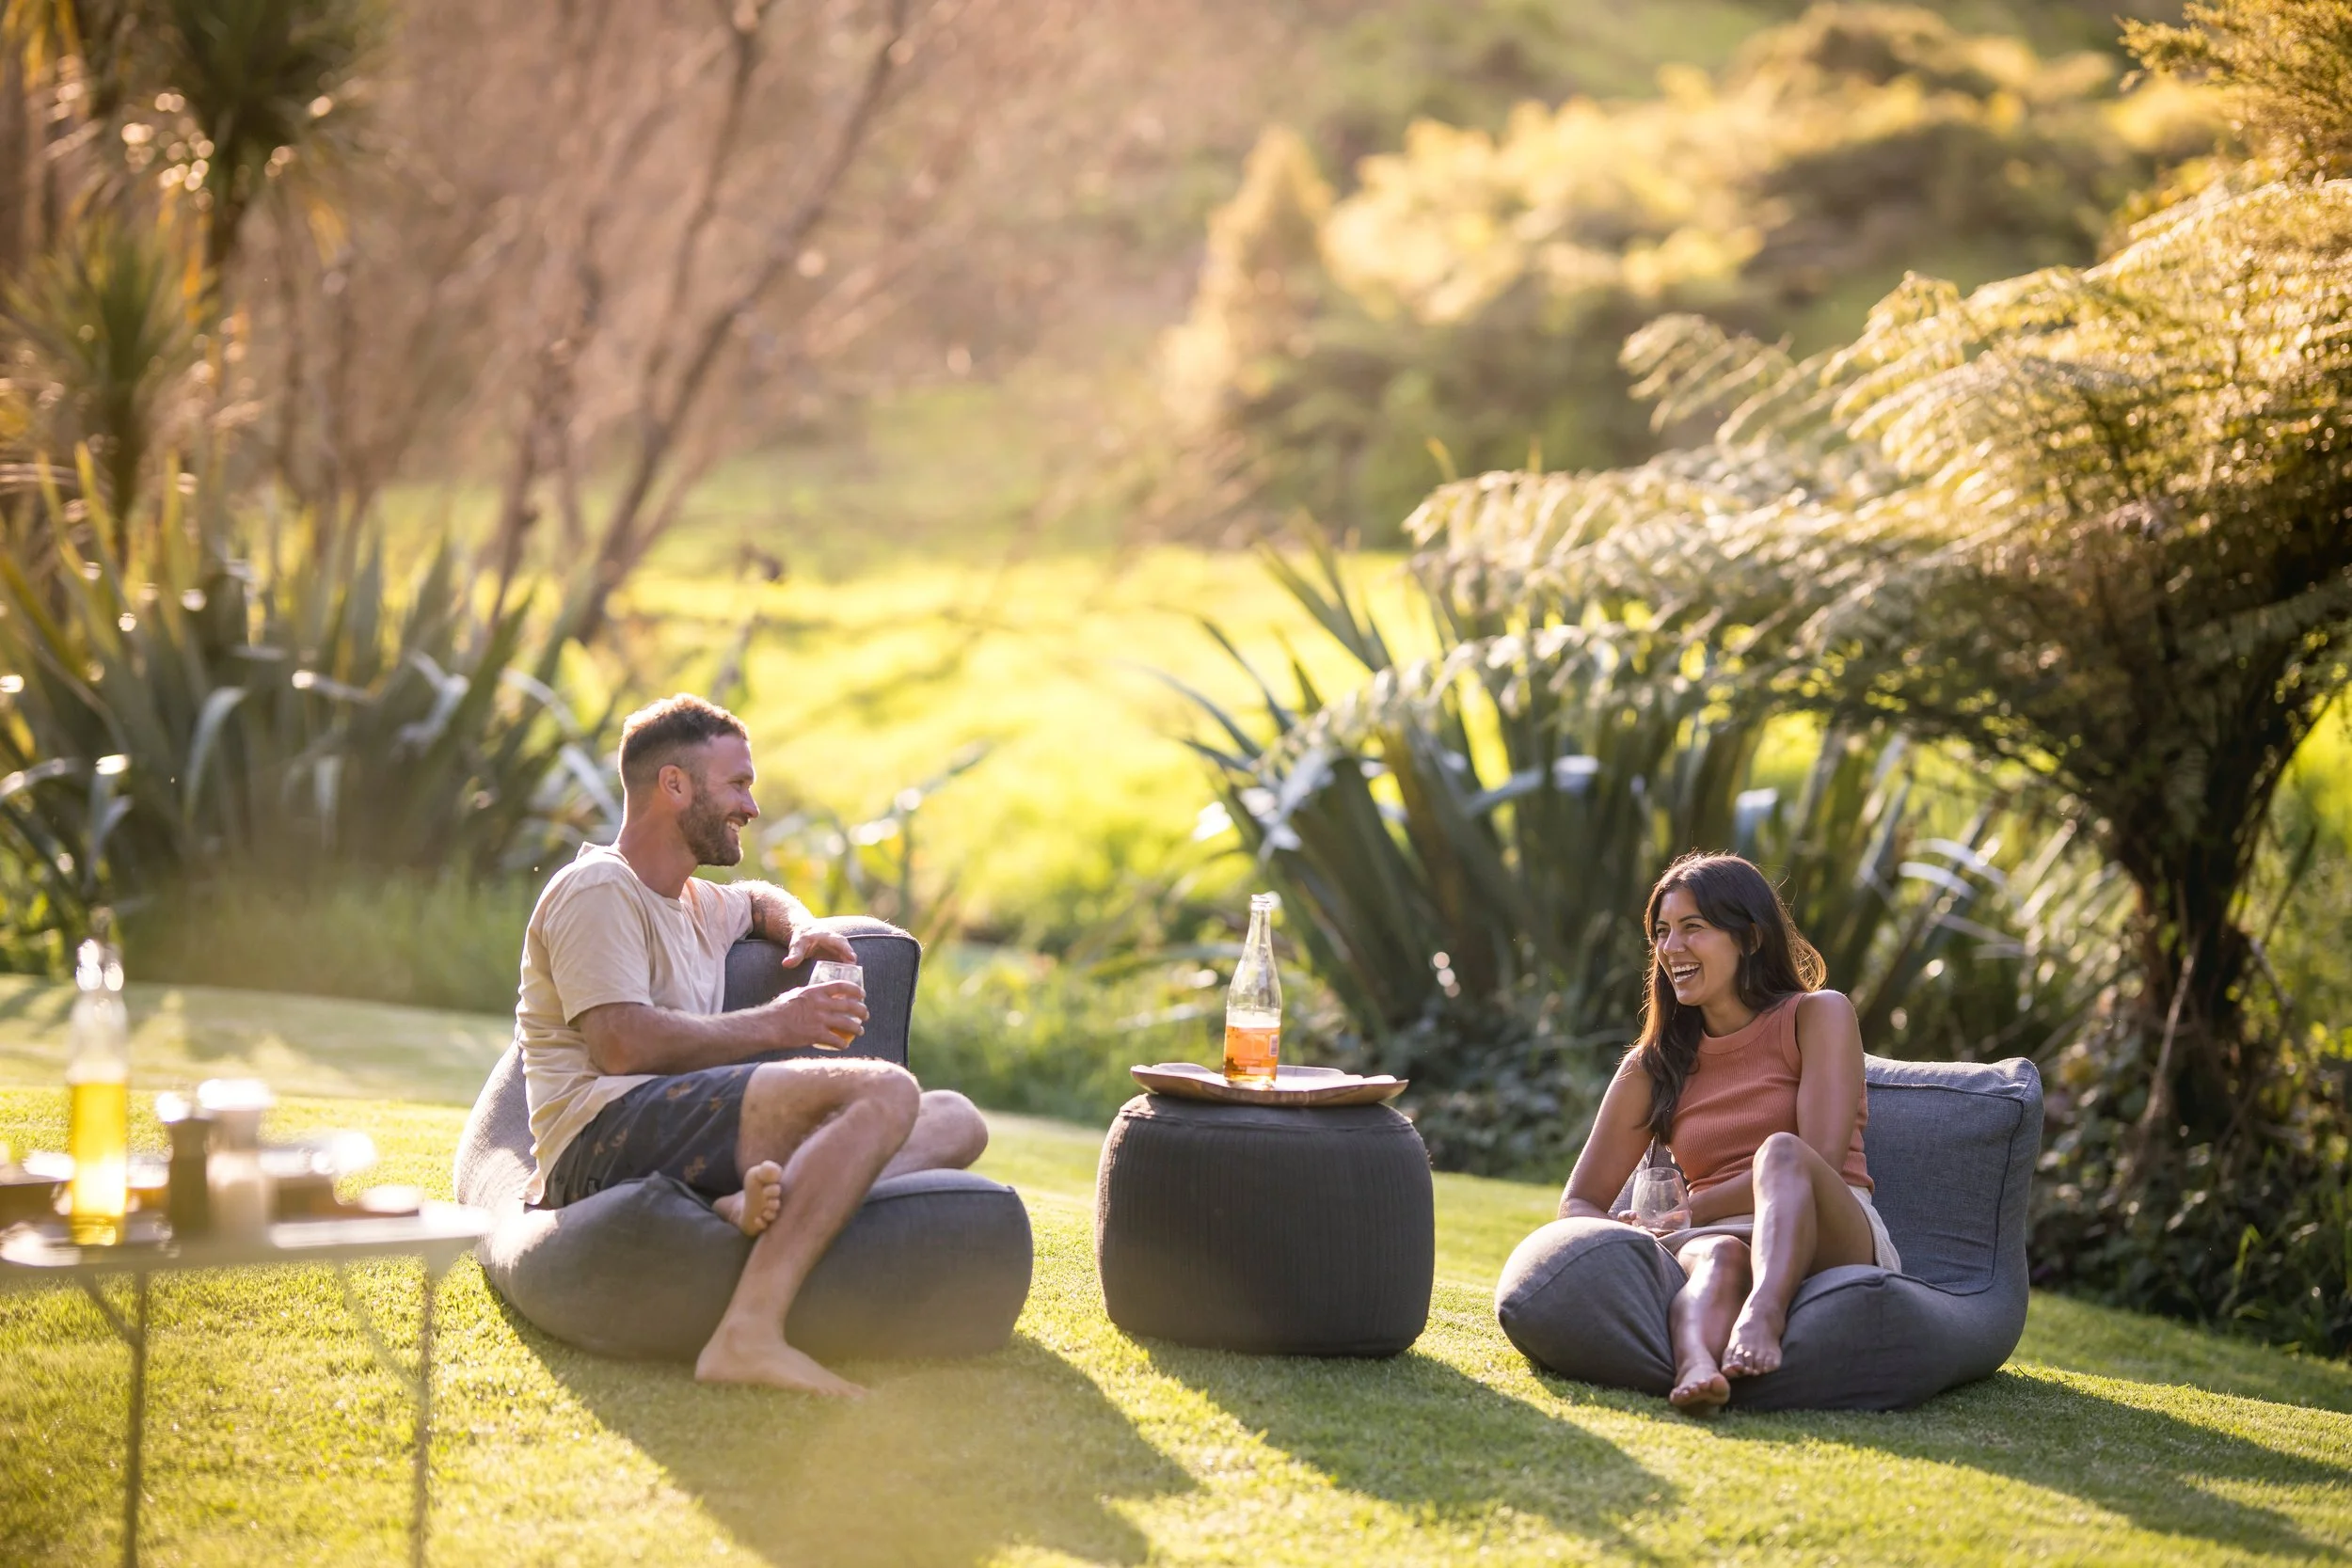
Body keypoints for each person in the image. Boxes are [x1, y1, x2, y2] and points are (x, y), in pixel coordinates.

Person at [514, 693, 988, 1397]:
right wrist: (782, 1022)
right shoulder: (598, 888)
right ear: (675, 785)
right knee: (885, 1088)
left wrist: (800, 924)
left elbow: (759, 898)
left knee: (956, 1118)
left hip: (668, 1124)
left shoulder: (695, 902)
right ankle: (749, 1332)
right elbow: (620, 1044)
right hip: (597, 1134)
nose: (752, 807)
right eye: (738, 784)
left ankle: (735, 1203)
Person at [1556, 851, 1900, 1413]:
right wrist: (1635, 1238)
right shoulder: (1653, 1066)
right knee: (1716, 1257)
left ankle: (1765, 1310)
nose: (1671, 949)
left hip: (1828, 1221)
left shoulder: (1818, 1015)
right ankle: (1695, 1367)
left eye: (1694, 928)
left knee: (1782, 1154)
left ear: (1751, 938)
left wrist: (1692, 1210)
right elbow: (1579, 1203)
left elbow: (1820, 1158)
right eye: (1662, 933)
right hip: (1715, 1234)